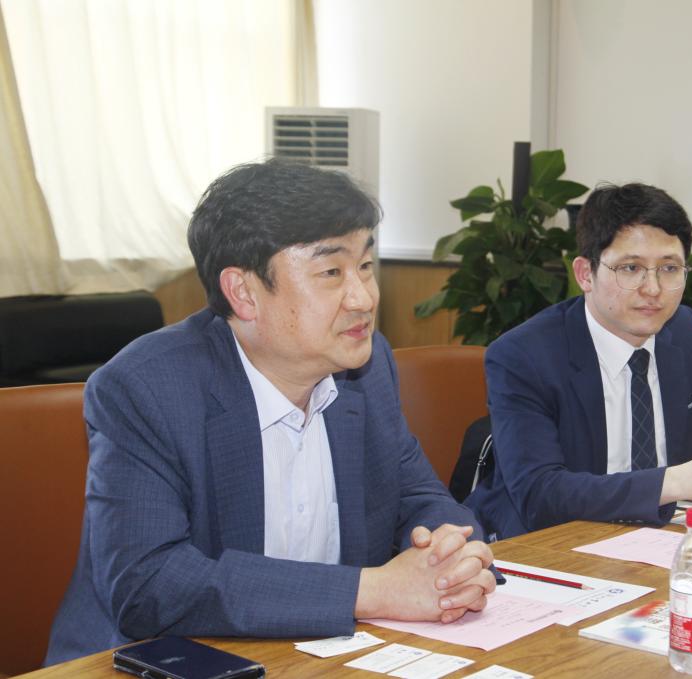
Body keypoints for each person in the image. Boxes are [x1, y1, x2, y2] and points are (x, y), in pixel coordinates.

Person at [46, 159, 495, 664]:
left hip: (316, 657)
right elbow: (150, 586)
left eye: (366, 266)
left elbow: (416, 494)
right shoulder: (146, 388)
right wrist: (374, 591)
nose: (363, 297)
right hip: (156, 663)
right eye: (331, 272)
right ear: (243, 292)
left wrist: (451, 555)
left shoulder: (366, 370)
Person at [466, 183, 692, 540]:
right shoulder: (524, 355)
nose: (653, 289)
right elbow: (540, 494)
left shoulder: (683, 330)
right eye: (631, 268)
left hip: (657, 538)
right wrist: (674, 482)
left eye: (669, 268)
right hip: (549, 542)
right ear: (585, 274)